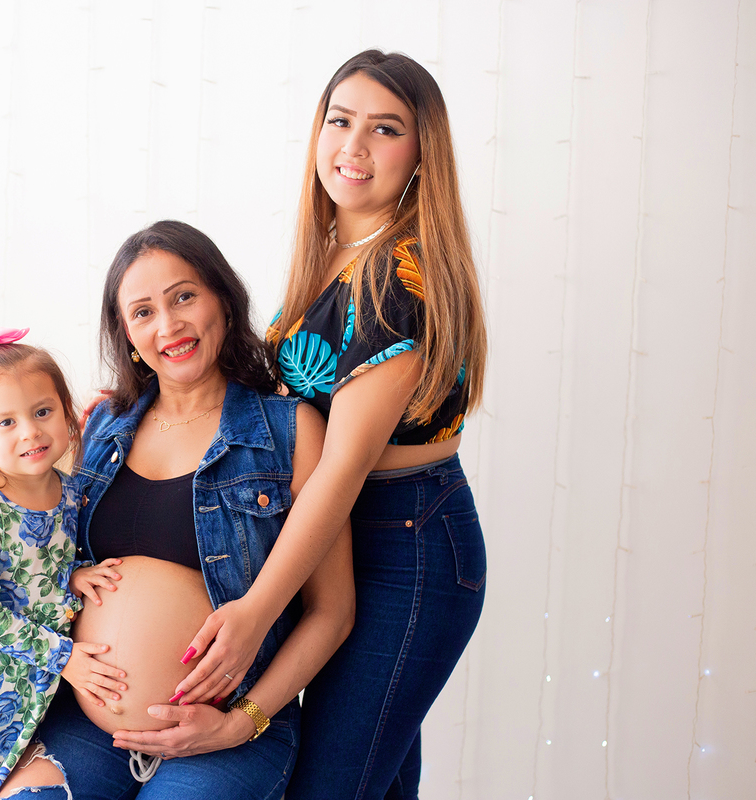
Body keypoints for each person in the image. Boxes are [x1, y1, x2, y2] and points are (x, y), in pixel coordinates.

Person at [0, 220, 354, 799]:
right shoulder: (101, 427)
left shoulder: (291, 433)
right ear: (128, 333)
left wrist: (242, 721)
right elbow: (32, 562)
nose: (169, 326)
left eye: (184, 297)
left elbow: (332, 612)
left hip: (224, 733)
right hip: (86, 723)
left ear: (223, 300)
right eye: (143, 312)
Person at [169, 49, 488, 798]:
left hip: (405, 548)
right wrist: (144, 403)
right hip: (342, 535)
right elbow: (279, 397)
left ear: (422, 153)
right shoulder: (335, 253)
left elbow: (341, 470)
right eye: (340, 121)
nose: (354, 146)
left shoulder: (398, 278)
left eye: (385, 129)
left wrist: (255, 613)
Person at [0, 328, 127, 800]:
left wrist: (72, 575)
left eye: (42, 412)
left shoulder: (69, 492)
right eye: (6, 422)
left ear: (67, 412)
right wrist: (63, 657)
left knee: (5, 770)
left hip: (30, 675)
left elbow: (37, 568)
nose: (30, 431)